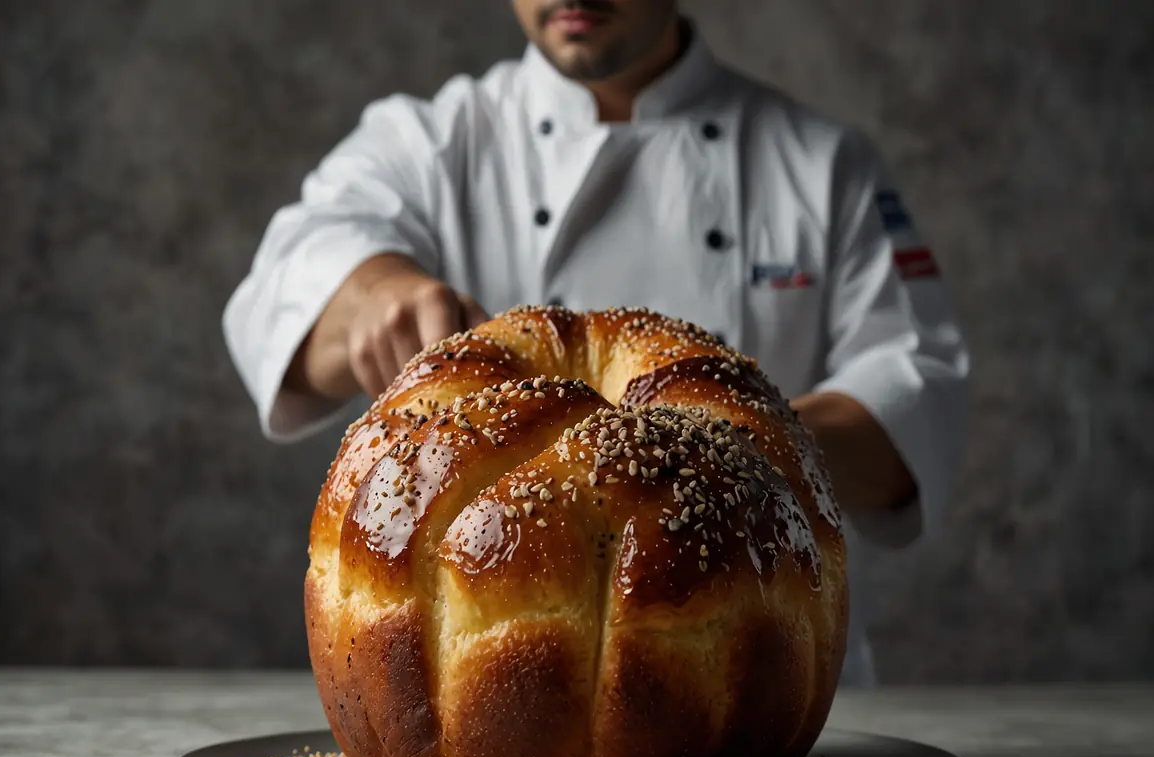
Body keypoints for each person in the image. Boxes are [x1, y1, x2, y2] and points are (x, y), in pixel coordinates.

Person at [223, 0, 969, 687]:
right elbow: (297, 269)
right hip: (482, 691)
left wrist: (733, 468)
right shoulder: (430, 142)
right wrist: (376, 298)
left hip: (768, 689)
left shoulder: (822, 166)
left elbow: (919, 383)